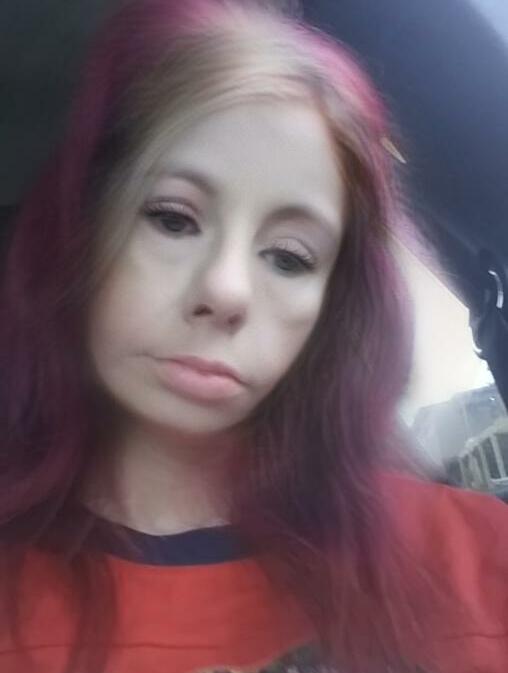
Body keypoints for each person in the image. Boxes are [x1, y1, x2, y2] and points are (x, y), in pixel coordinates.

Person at [1, 1, 508, 672]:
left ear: (332, 308)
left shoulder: (480, 564)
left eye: (290, 257)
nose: (227, 290)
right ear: (83, 232)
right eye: (174, 219)